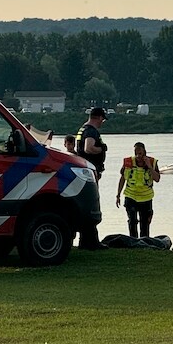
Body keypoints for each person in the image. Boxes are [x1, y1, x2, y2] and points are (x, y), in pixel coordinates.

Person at [73, 107, 108, 250]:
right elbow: (89, 148)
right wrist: (102, 149)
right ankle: (91, 241)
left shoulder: (82, 129)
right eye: (102, 119)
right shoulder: (91, 131)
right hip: (89, 172)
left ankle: (86, 240)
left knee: (87, 204)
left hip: (83, 171)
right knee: (92, 204)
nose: (102, 122)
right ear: (98, 117)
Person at [116, 142, 160, 238]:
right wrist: (118, 195)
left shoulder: (152, 162)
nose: (138, 156)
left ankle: (144, 241)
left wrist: (149, 166)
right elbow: (122, 178)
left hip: (146, 197)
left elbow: (157, 179)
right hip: (130, 195)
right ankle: (133, 241)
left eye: (140, 153)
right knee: (132, 221)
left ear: (144, 152)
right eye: (136, 153)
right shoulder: (128, 162)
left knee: (145, 222)